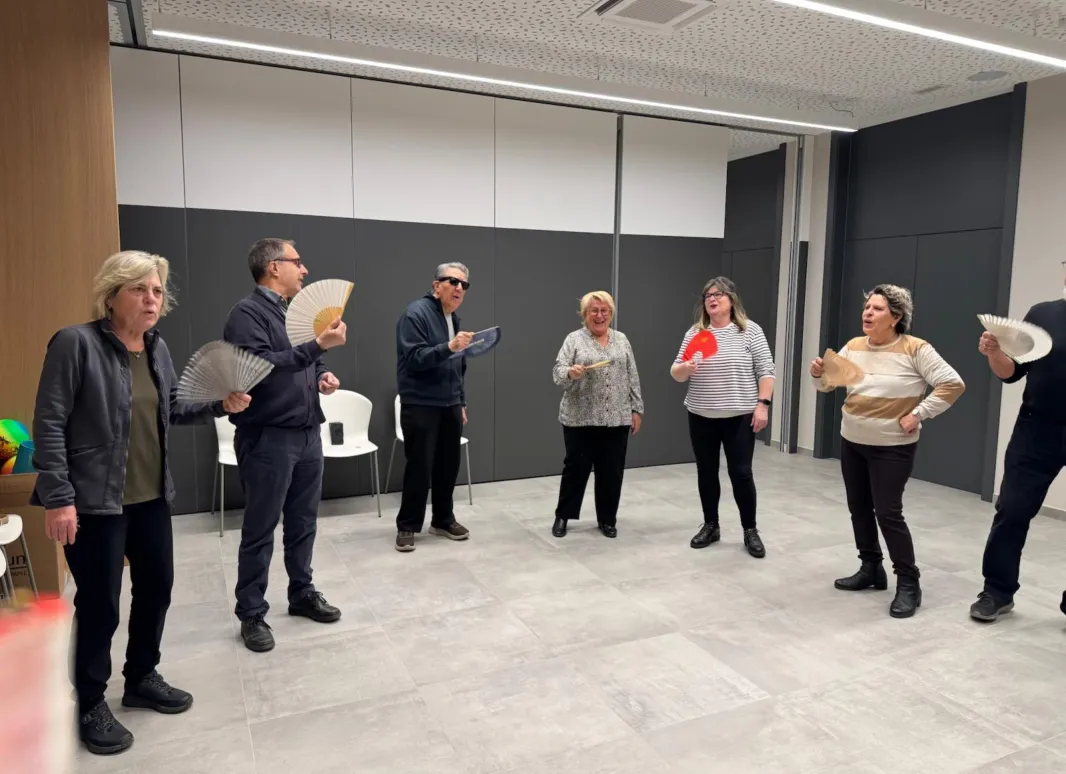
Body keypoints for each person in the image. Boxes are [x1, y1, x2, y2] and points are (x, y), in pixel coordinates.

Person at [30, 251, 250, 755]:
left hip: (151, 498)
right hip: (93, 503)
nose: (152, 300)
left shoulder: (156, 346)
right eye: (139, 290)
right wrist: (59, 498)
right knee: (100, 603)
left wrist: (220, 404)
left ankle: (141, 676)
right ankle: (89, 701)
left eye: (156, 291)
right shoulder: (75, 343)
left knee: (157, 589)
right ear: (111, 296)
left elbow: (171, 407)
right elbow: (49, 422)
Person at [223, 238, 347, 653]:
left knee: (303, 522)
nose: (305, 270)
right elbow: (260, 367)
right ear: (274, 267)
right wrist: (317, 348)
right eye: (298, 262)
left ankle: (301, 593)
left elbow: (308, 358)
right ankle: (252, 613)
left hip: (308, 432)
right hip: (268, 437)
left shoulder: (294, 312)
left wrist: (322, 374)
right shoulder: (246, 315)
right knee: (260, 528)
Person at [812, 284, 964, 619]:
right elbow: (828, 386)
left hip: (892, 448)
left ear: (896, 317)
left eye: (877, 308)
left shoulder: (915, 349)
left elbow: (952, 384)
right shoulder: (852, 346)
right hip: (853, 440)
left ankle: (909, 583)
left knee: (888, 513)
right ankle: (871, 569)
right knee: (859, 509)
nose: (867, 313)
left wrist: (919, 414)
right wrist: (819, 375)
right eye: (867, 306)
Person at [970, 270, 1066, 623]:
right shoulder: (1042, 315)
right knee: (1011, 510)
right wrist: (994, 353)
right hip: (1036, 430)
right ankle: (996, 591)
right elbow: (1011, 372)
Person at [670, 277, 775, 558]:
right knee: (706, 471)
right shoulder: (695, 333)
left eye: (718, 294)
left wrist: (762, 405)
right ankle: (711, 525)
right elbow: (676, 371)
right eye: (707, 296)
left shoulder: (750, 331)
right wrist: (686, 368)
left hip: (739, 416)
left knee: (741, 473)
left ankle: (750, 530)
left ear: (731, 300)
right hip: (701, 414)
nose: (712, 299)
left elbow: (766, 370)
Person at [394, 262, 475, 553]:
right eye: (452, 281)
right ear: (436, 285)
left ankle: (443, 519)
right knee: (420, 465)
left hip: (449, 403)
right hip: (421, 403)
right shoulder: (415, 313)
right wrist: (449, 347)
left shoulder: (452, 317)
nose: (458, 288)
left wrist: (461, 400)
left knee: (447, 465)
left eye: (464, 284)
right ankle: (407, 526)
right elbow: (415, 357)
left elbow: (458, 366)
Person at [550, 291, 644, 539]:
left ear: (611, 314)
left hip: (616, 418)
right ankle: (563, 515)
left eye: (605, 311)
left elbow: (631, 375)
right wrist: (571, 372)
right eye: (594, 311)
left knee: (611, 471)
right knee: (575, 469)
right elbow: (558, 373)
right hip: (579, 418)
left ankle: (607, 519)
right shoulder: (574, 339)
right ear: (585, 314)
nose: (599, 315)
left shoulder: (622, 340)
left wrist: (636, 409)